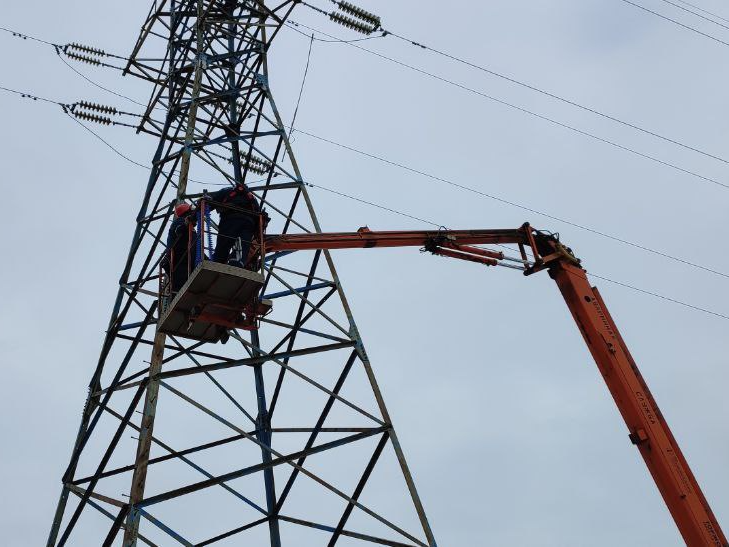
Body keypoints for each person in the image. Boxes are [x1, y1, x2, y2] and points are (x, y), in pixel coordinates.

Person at [206, 182, 260, 268]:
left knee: (224, 245)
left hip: (230, 220)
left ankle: (218, 262)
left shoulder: (227, 191)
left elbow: (210, 203)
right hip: (248, 224)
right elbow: (258, 214)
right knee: (243, 245)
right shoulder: (251, 198)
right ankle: (237, 262)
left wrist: (193, 217)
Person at [163, 202, 197, 292]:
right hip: (179, 261)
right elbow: (179, 230)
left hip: (184, 260)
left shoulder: (190, 228)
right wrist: (185, 224)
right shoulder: (180, 221)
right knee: (179, 289)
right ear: (187, 213)